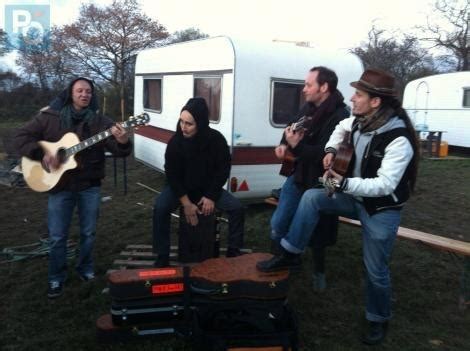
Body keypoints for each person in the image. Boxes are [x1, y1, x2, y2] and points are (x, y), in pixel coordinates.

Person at [257, 68, 419, 345]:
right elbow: (339, 129)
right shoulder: (357, 120)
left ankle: (378, 318)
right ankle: (290, 253)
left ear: (375, 101)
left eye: (358, 94)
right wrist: (332, 151)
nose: (353, 98)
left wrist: (343, 185)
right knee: (311, 197)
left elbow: (384, 186)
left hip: (380, 209)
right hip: (353, 195)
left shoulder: (398, 139)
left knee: (375, 269)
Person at [14, 77, 133, 299]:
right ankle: (56, 278)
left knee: (88, 233)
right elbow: (20, 137)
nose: (84, 95)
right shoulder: (49, 117)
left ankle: (85, 269)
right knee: (58, 236)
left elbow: (120, 150)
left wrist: (123, 140)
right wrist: (43, 154)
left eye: (88, 91)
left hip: (89, 185)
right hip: (60, 186)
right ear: (71, 93)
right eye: (79, 91)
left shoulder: (101, 122)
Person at [270, 66, 349, 289]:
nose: (304, 89)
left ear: (324, 87)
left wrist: (297, 145)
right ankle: (288, 261)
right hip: (299, 175)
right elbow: (290, 128)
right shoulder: (308, 107)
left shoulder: (340, 116)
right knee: (277, 224)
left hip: (325, 180)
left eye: (308, 84)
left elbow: (326, 156)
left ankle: (319, 272)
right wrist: (284, 145)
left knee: (319, 234)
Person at [152, 97, 245, 267]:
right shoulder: (175, 143)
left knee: (237, 208)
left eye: (189, 123)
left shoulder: (216, 140)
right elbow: (172, 175)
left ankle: (234, 251)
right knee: (160, 208)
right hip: (180, 189)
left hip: (207, 189)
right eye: (181, 121)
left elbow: (223, 169)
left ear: (201, 123)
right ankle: (162, 254)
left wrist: (210, 196)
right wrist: (186, 203)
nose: (183, 127)